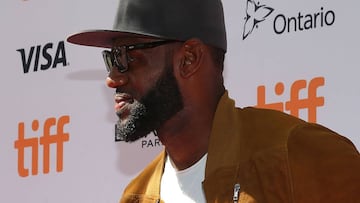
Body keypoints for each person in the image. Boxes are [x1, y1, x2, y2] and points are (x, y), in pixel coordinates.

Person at [67, 0, 360, 202]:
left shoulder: (294, 154)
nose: (113, 78)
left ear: (190, 59)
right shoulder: (137, 196)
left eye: (127, 57)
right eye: (110, 60)